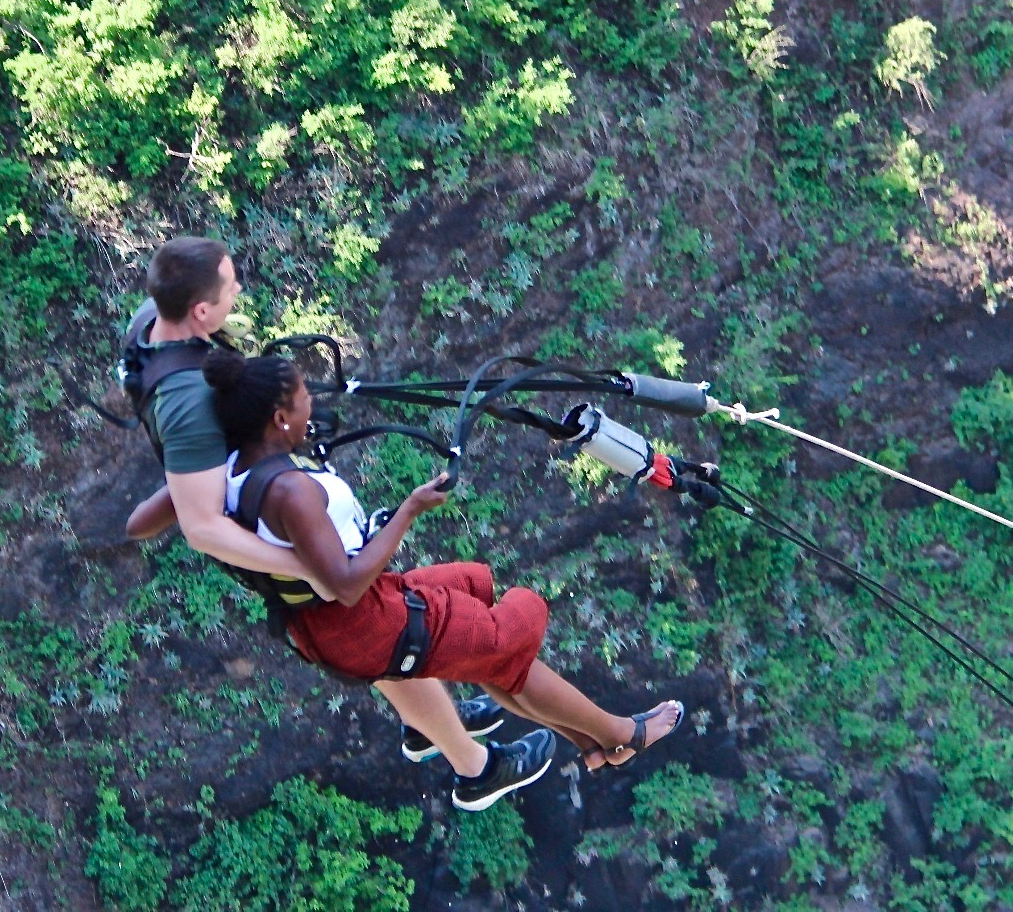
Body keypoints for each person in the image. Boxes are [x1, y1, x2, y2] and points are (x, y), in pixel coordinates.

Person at [129, 348, 687, 791]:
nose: (311, 412)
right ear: (277, 418)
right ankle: (622, 734)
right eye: (302, 403)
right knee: (512, 627)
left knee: (475, 585)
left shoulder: (216, 468)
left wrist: (188, 455)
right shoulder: (291, 491)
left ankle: (590, 744)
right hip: (360, 619)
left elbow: (141, 523)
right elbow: (346, 585)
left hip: (331, 620)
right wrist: (408, 512)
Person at [125, 237, 548, 808]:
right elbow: (201, 525)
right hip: (267, 534)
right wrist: (313, 568)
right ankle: (476, 769)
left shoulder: (154, 326)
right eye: (230, 289)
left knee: (389, 634)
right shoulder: (186, 401)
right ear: (200, 310)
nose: (239, 293)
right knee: (381, 628)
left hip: (260, 492)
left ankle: (430, 727)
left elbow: (194, 467)